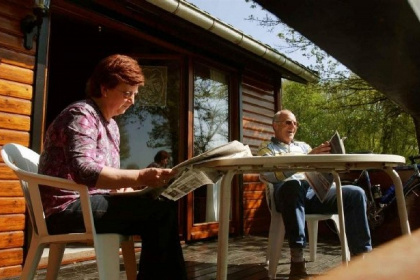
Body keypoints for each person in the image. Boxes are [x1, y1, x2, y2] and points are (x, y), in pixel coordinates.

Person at [38, 54, 187, 280]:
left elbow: (105, 178)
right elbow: (84, 171)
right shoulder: (81, 115)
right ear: (105, 88)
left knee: (160, 202)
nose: (132, 101)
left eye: (134, 95)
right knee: (158, 212)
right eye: (127, 93)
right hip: (66, 208)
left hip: (90, 203)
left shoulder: (112, 127)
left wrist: (125, 190)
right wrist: (139, 176)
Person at [257, 109, 371, 280]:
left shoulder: (303, 146)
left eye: (295, 123)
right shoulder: (267, 148)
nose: (293, 126)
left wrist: (329, 157)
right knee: (294, 185)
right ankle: (297, 261)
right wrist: (307, 158)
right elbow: (268, 175)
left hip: (312, 193)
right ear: (275, 125)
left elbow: (317, 171)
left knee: (356, 193)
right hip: (286, 196)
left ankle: (359, 258)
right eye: (288, 122)